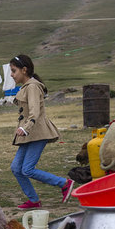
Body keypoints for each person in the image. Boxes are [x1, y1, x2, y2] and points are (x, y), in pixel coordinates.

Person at [9, 54, 74, 209]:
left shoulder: (32, 87)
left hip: (37, 132)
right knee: (16, 168)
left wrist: (25, 127)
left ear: (24, 70)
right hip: (28, 134)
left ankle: (64, 183)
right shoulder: (27, 86)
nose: (11, 75)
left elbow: (34, 112)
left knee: (27, 169)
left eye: (13, 71)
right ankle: (34, 200)